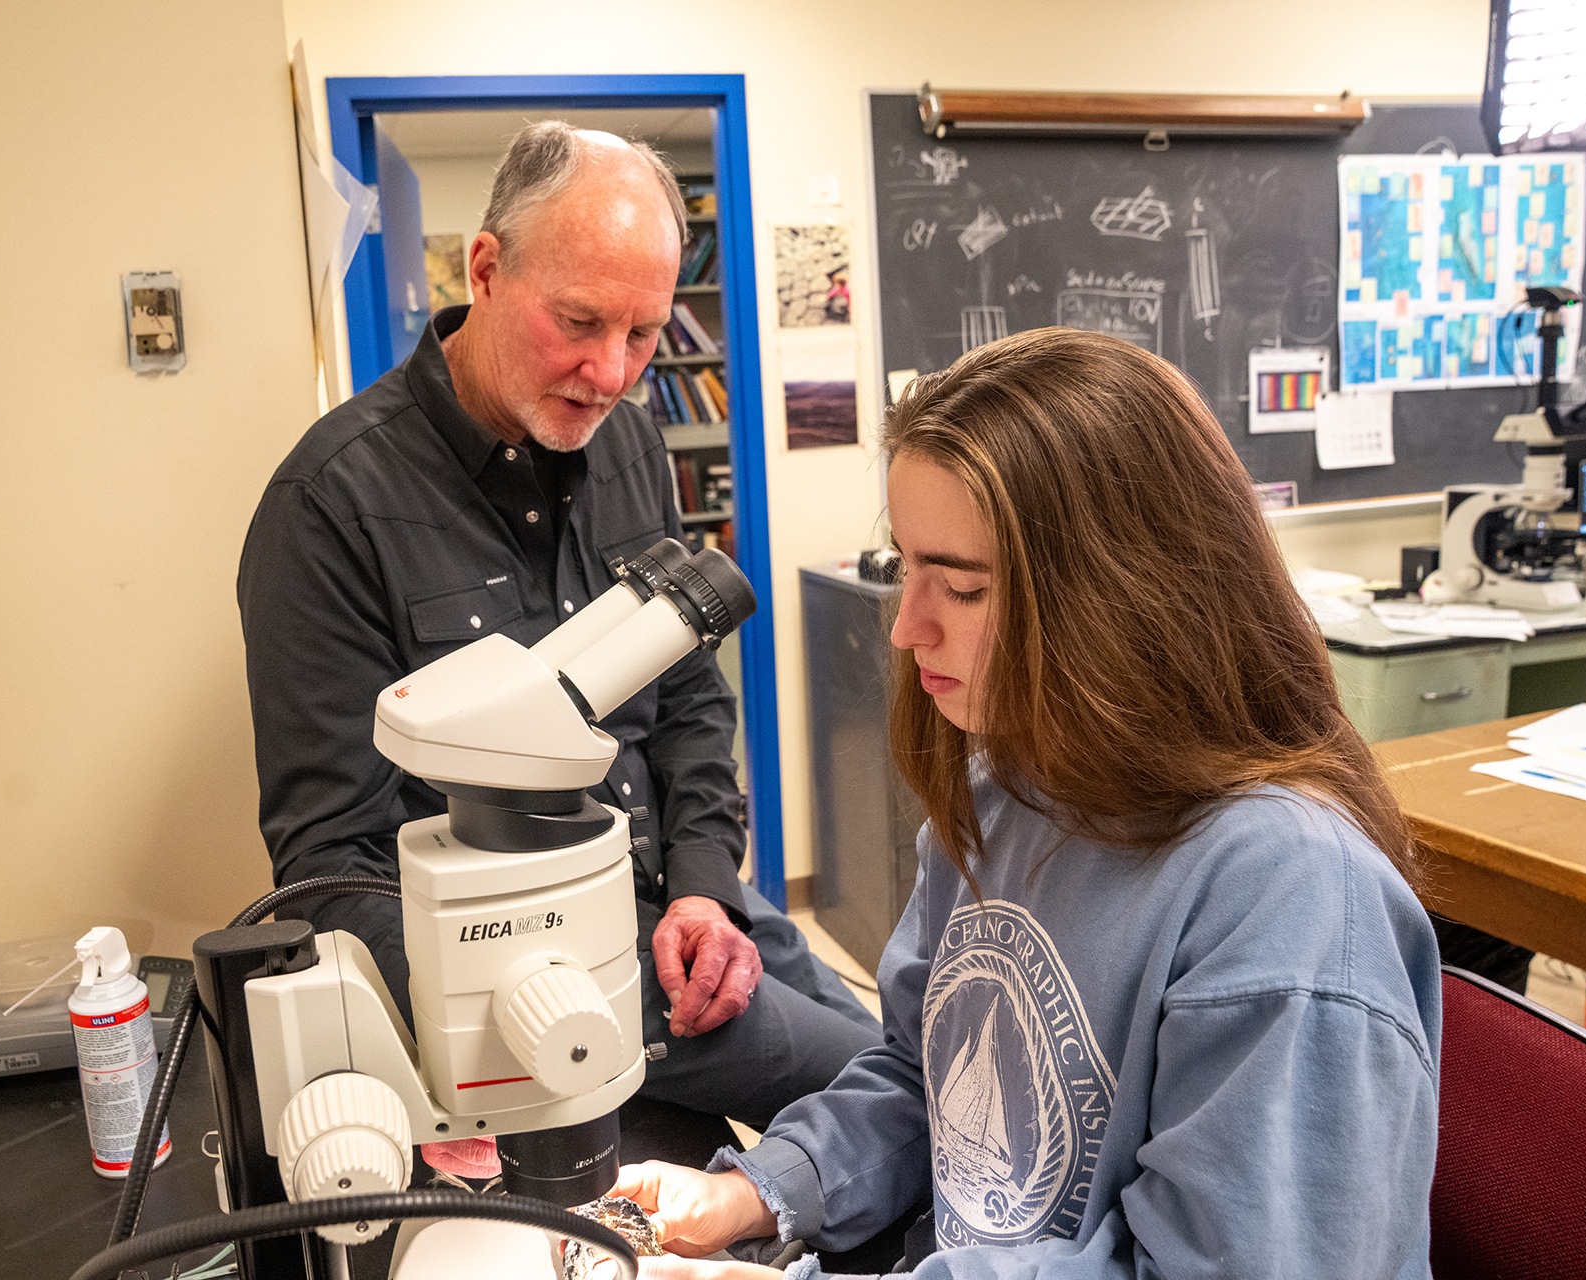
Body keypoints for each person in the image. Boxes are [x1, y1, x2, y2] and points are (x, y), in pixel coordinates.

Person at [610, 327, 1442, 1279]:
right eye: (905, 568)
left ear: (1121, 597)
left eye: (960, 587)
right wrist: (756, 1193)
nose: (907, 627)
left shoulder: (1286, 905)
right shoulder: (1006, 793)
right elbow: (925, 1082)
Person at [236, 122, 880, 1137]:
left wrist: (708, 887)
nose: (612, 371)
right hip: (539, 964)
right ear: (486, 268)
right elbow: (331, 860)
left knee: (928, 1065)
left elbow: (692, 704)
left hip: (685, 906)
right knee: (887, 1097)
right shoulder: (330, 505)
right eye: (579, 322)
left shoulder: (628, 440)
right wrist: (468, 1048)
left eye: (643, 333)